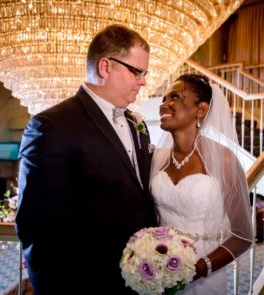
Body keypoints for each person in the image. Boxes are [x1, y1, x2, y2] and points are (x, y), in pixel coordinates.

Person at [15, 24, 158, 294]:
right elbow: (36, 227)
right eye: (136, 71)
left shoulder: (136, 123)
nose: (143, 81)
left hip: (139, 279)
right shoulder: (52, 125)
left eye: (144, 73)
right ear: (106, 67)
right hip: (87, 283)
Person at [150, 74, 254, 294]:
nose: (164, 105)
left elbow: (243, 236)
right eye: (164, 98)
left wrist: (197, 268)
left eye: (175, 97)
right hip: (160, 269)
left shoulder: (223, 159)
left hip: (205, 274)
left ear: (201, 110)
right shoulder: (157, 159)